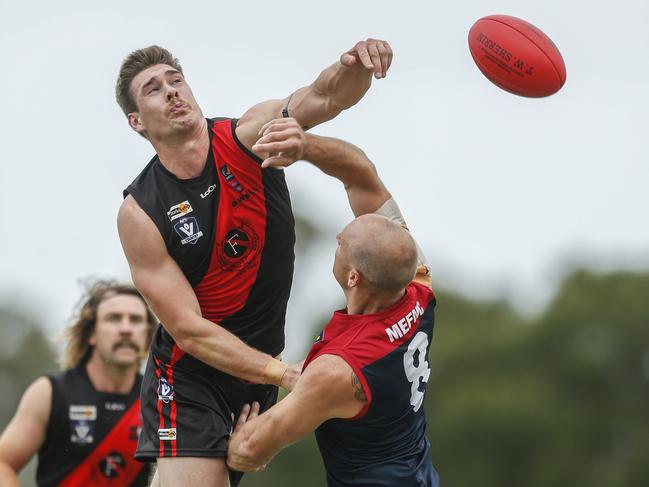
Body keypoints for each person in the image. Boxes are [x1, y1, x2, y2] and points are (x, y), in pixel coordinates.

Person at [115, 39, 393, 486]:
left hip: (258, 367)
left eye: (176, 80)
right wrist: (284, 373)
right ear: (136, 121)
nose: (171, 92)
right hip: (191, 375)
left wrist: (356, 66)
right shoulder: (141, 212)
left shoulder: (249, 135)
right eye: (153, 89)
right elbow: (188, 329)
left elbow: (325, 96)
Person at [226, 119, 439, 486]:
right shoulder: (417, 288)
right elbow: (362, 175)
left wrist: (242, 435)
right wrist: (303, 145)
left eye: (341, 242)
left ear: (353, 277)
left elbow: (245, 451)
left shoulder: (339, 371)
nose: (339, 235)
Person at [0, 280, 157, 487]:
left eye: (136, 320)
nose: (126, 329)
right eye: (114, 319)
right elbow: (4, 463)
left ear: (147, 335)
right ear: (91, 333)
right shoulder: (50, 392)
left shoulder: (158, 399)